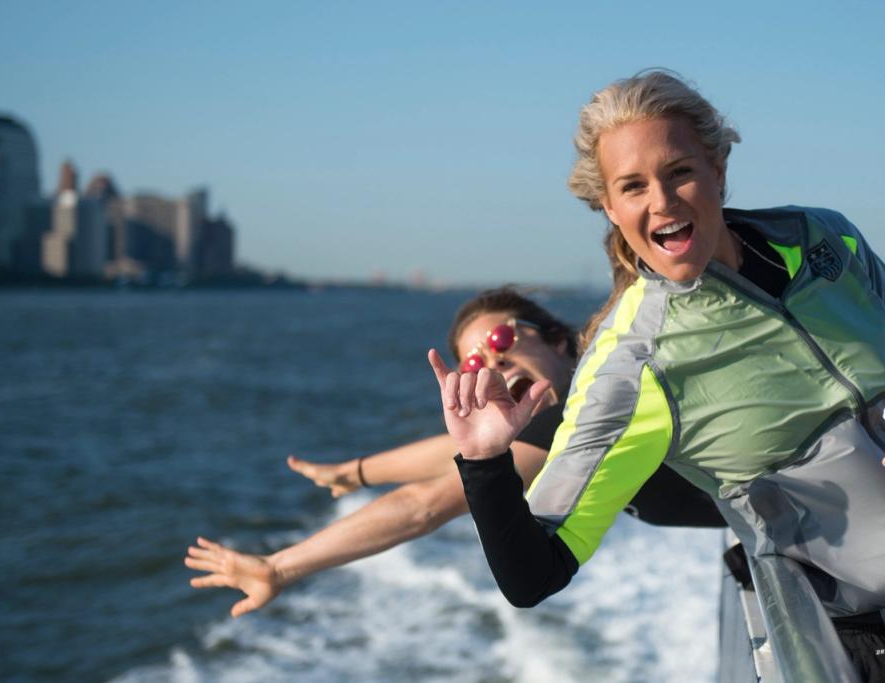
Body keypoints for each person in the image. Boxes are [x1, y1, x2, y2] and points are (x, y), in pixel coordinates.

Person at [429, 70, 885, 680]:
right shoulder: (633, 365)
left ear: (718, 171)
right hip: (859, 631)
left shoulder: (824, 237)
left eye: (680, 172)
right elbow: (531, 576)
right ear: (611, 209)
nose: (663, 202)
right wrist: (484, 463)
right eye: (634, 187)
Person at [185, 288, 725, 616]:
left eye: (499, 343)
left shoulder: (584, 412)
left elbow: (426, 504)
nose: (491, 367)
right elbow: (461, 449)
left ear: (556, 340)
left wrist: (279, 567)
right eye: (473, 365)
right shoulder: (564, 413)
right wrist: (357, 472)